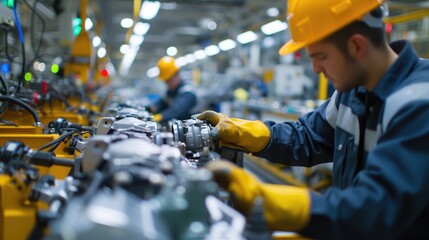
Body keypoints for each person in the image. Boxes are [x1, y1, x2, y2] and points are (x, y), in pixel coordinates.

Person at [196, 0, 429, 239]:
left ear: (356, 46)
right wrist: (241, 133)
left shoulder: (420, 101)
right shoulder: (351, 93)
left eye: (320, 56)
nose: (315, 69)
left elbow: (377, 208)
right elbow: (309, 136)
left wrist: (266, 202)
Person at [151, 56, 197, 123]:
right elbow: (159, 105)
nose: (167, 83)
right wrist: (150, 109)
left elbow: (175, 110)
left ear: (176, 75)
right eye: (165, 81)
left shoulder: (187, 92)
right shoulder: (170, 92)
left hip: (192, 130)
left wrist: (158, 117)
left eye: (169, 80)